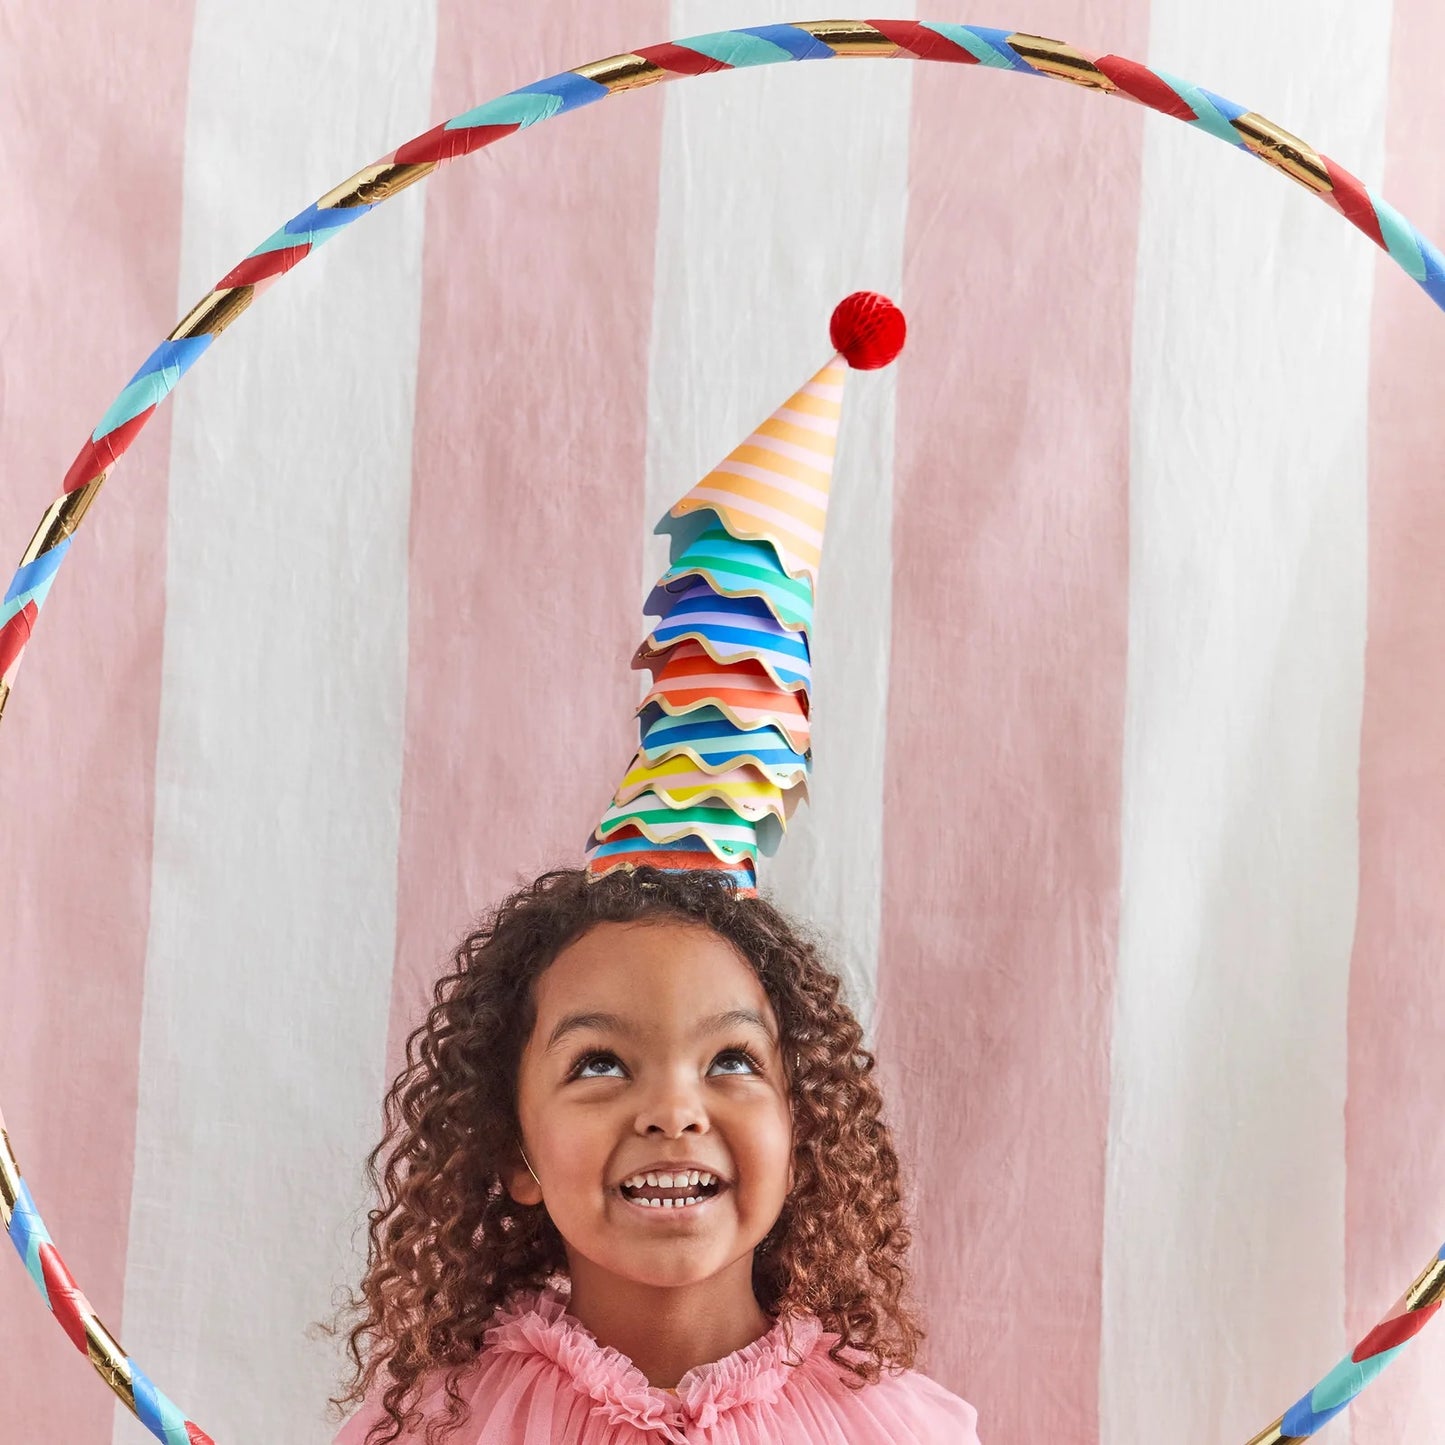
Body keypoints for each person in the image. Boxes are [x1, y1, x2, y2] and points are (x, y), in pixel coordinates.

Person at [326, 863, 981, 1444]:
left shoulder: (894, 1428)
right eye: (599, 1064)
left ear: (800, 1137)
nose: (673, 1111)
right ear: (512, 1149)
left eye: (730, 1058)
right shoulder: (438, 1426)